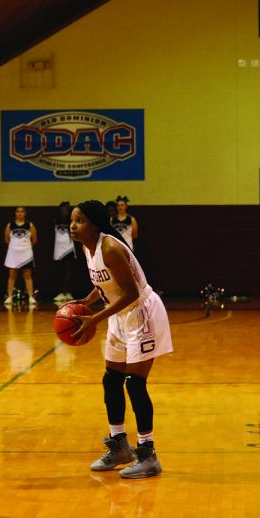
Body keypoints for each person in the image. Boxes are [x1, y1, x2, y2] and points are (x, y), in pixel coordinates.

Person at [67, 200, 172, 479]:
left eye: (79, 221)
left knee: (135, 384)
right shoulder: (88, 249)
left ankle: (148, 454)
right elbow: (103, 284)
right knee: (111, 379)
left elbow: (130, 293)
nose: (73, 226)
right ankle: (119, 447)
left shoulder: (110, 247)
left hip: (141, 313)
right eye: (72, 221)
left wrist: (94, 319)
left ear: (95, 224)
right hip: (119, 316)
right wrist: (86, 302)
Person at [3, 206, 38, 307]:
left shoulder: (30, 225)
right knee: (12, 275)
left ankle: (31, 297)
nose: (20, 213)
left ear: (25, 213)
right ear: (15, 213)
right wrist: (16, 247)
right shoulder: (10, 225)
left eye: (22, 211)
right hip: (13, 253)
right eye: (18, 211)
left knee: (27, 275)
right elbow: (6, 239)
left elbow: (34, 239)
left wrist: (24, 247)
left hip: (26, 253)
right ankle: (9, 296)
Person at [52, 201, 77, 303]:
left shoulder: (72, 221)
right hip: (58, 250)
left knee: (68, 271)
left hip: (69, 249)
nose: (64, 211)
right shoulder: (56, 221)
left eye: (66, 209)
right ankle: (63, 292)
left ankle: (66, 292)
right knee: (60, 272)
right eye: (62, 209)